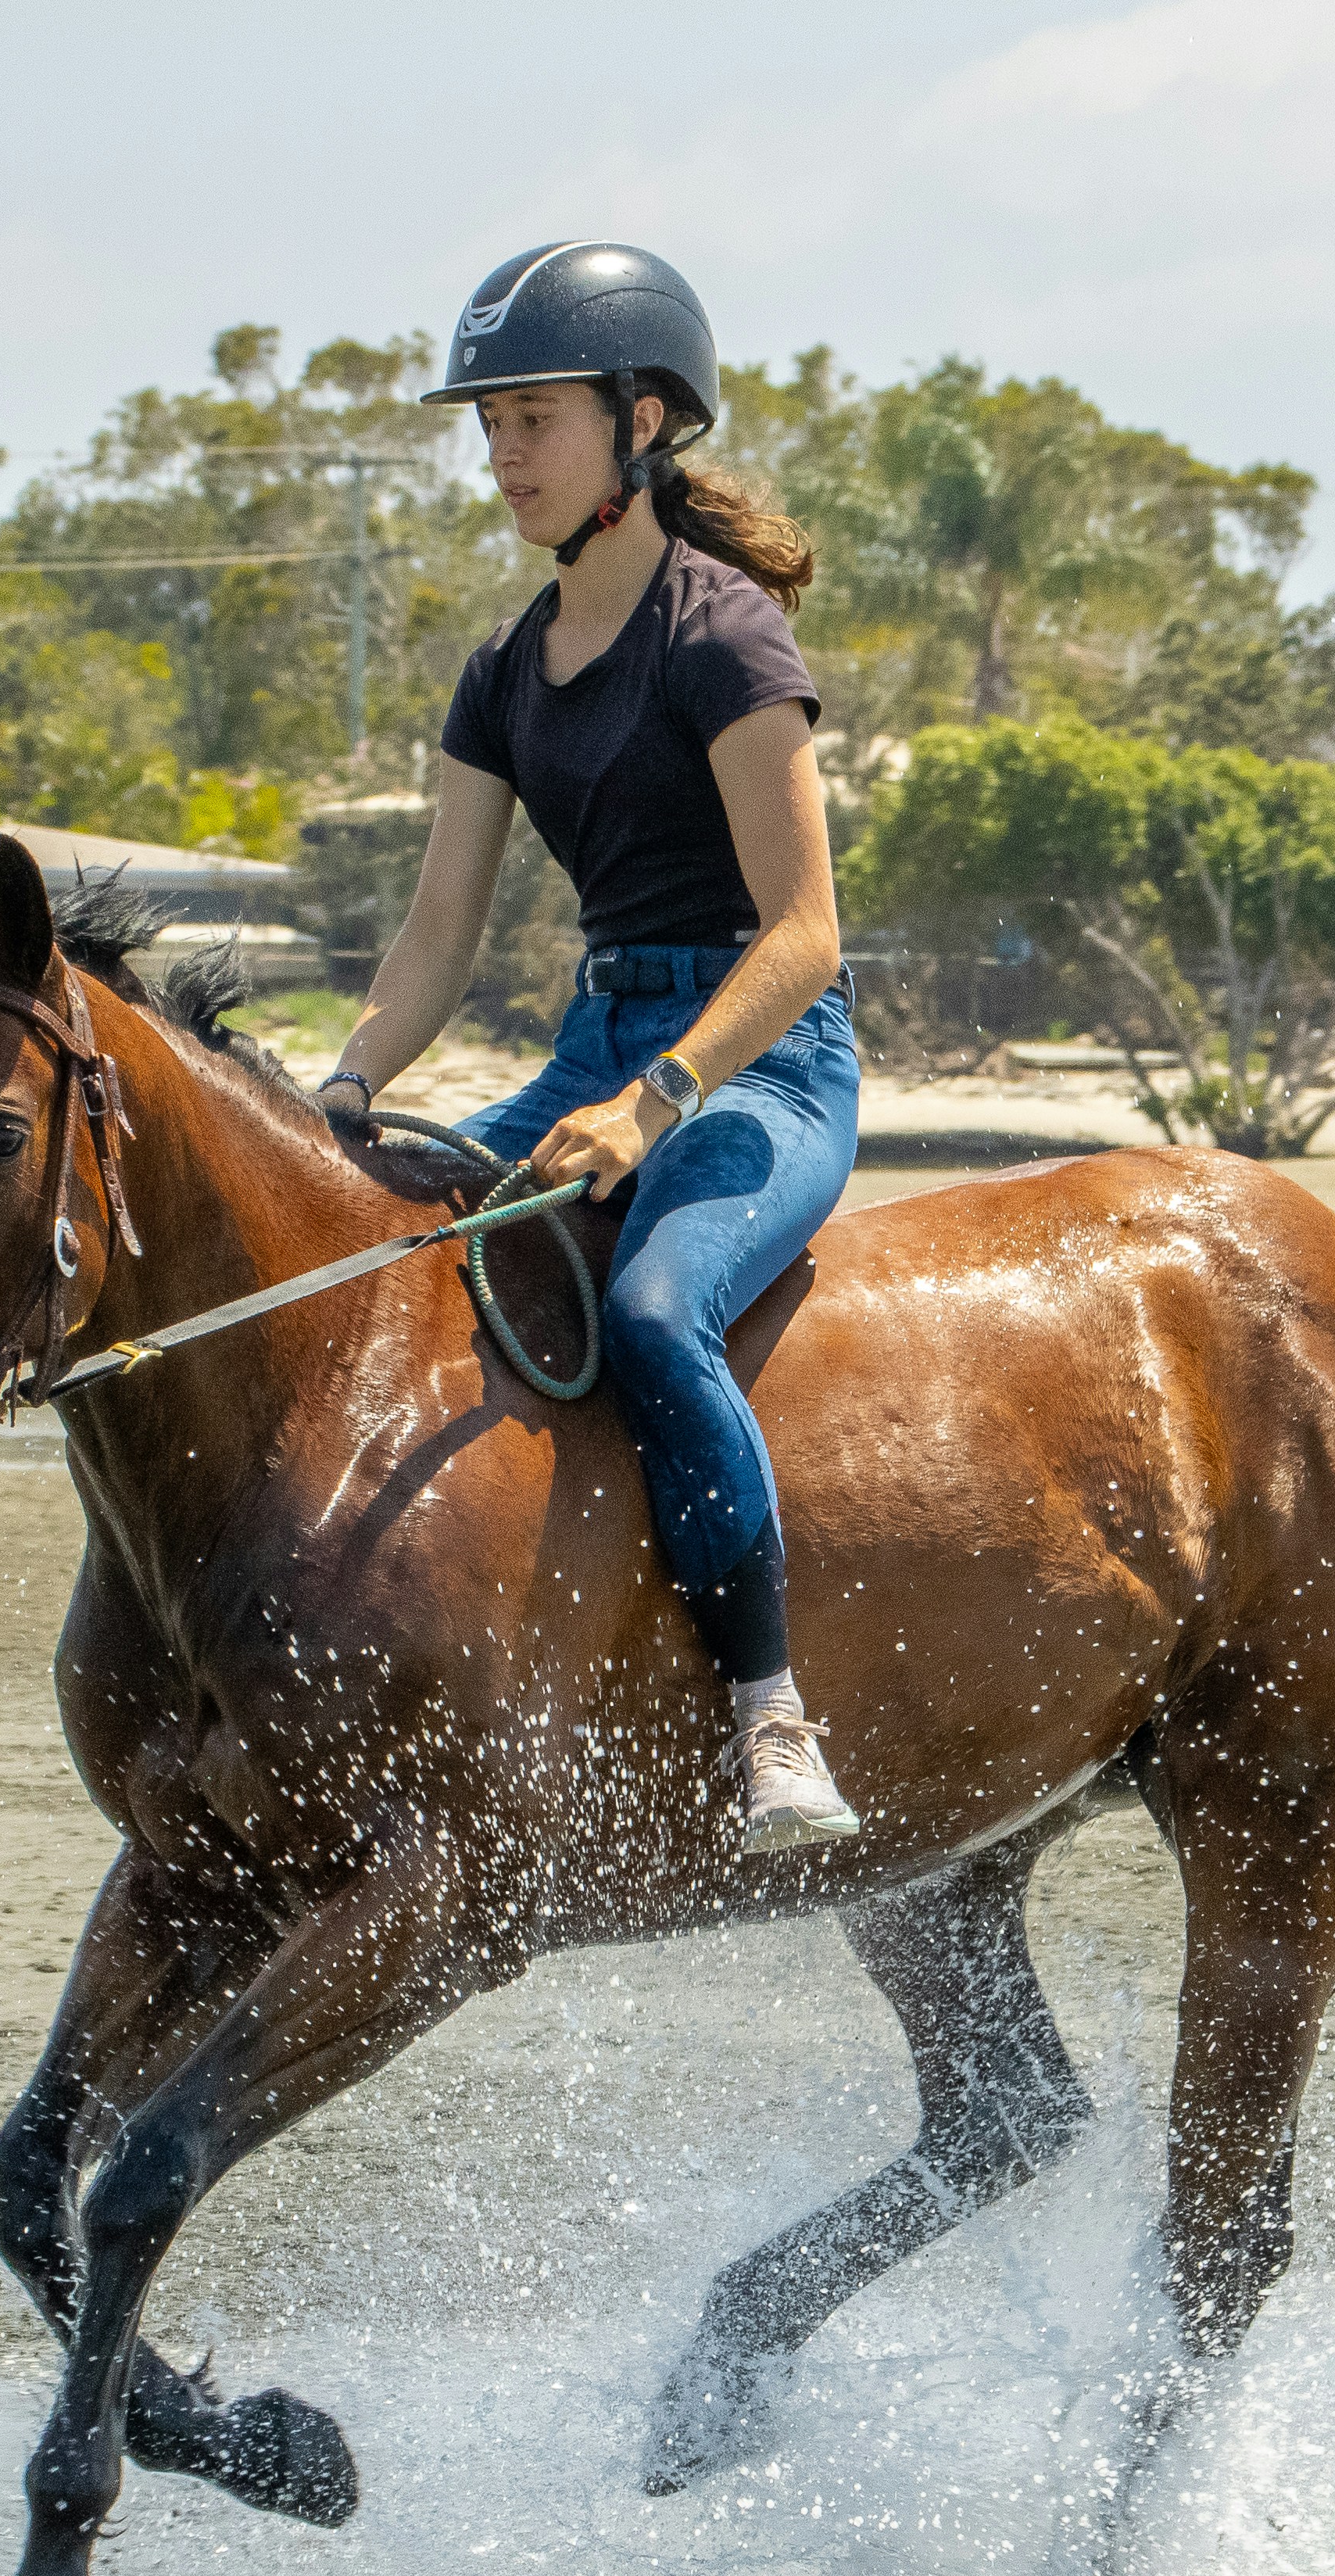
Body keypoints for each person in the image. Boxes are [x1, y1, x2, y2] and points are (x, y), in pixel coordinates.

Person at [319, 241, 864, 1855]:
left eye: (533, 420)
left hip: (758, 1066)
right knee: (380, 1235)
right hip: (594, 1043)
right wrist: (344, 1094)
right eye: (487, 425)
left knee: (647, 1306)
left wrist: (659, 1100)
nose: (502, 457)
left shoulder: (723, 638)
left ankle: (769, 1716)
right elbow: (435, 941)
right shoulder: (503, 671)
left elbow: (805, 937)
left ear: (641, 423)